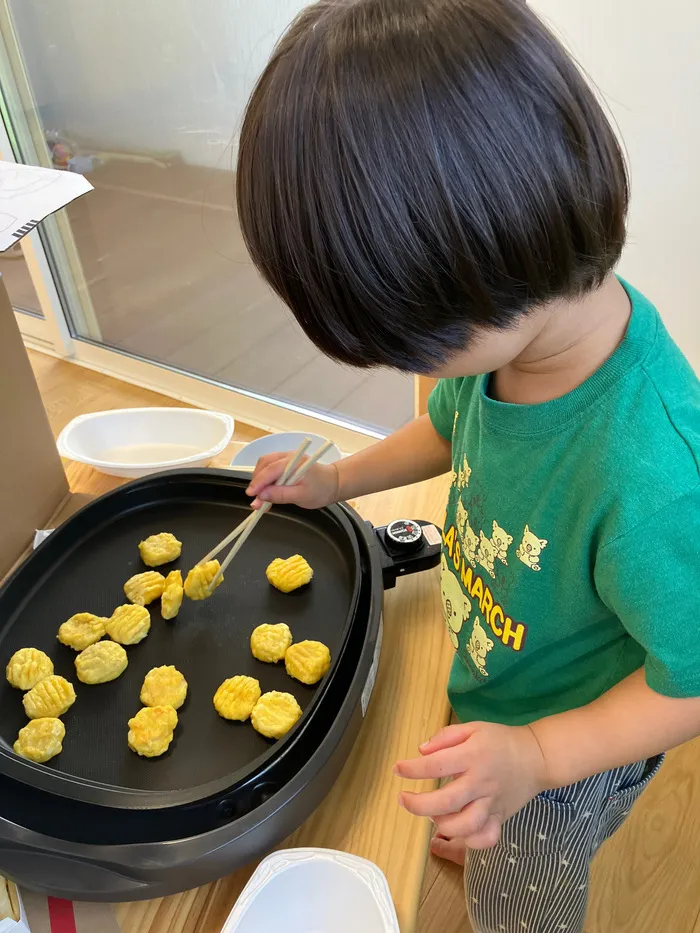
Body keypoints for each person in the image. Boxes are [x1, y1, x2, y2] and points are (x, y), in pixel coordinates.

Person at [237, 1, 700, 930]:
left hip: (574, 744)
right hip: (499, 672)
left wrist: (536, 756)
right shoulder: (517, 343)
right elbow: (448, 430)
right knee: (478, 800)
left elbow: (687, 679)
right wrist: (336, 482)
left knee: (517, 898)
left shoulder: (652, 473)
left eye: (409, 341)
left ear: (486, 267)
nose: (410, 369)